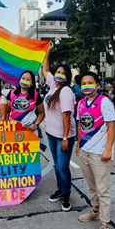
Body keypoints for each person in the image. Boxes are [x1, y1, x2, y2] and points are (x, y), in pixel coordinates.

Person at [76, 71, 115, 229]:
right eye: (83, 83)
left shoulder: (104, 102)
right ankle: (95, 211)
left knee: (103, 190)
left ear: (97, 85)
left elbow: (112, 125)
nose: (86, 86)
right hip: (85, 151)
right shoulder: (81, 103)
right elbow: (80, 123)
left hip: (100, 153)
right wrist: (79, 144)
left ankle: (105, 225)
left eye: (90, 82)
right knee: (91, 185)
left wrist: (108, 148)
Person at [43, 42, 76, 211]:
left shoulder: (66, 91)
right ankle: (60, 188)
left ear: (68, 77)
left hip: (64, 137)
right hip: (51, 134)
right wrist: (48, 52)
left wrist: (65, 138)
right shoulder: (52, 86)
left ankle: (67, 193)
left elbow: (66, 115)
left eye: (63, 73)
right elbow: (45, 70)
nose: (60, 74)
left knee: (63, 166)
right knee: (56, 165)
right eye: (58, 72)